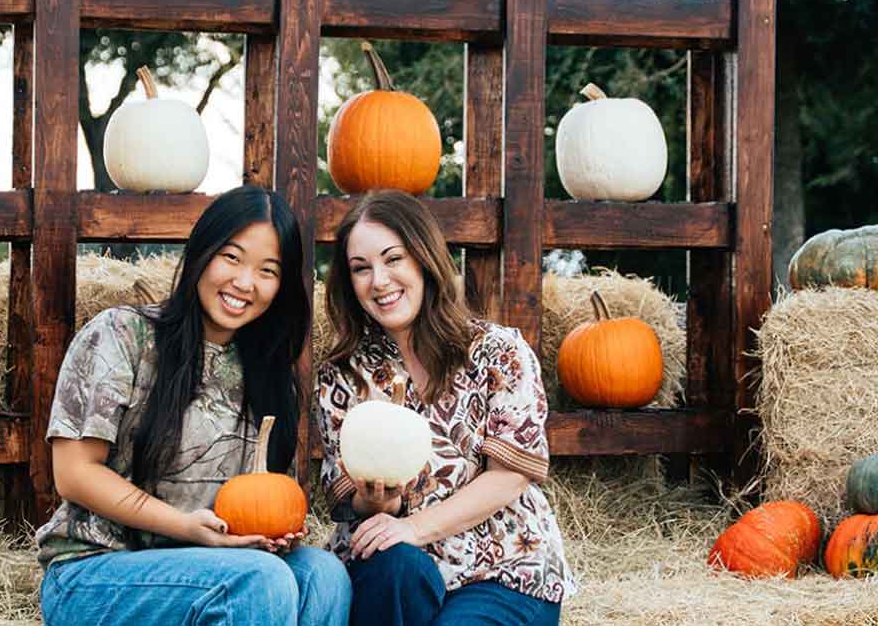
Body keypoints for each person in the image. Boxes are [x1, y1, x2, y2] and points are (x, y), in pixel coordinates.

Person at [38, 185, 350, 626]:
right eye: (232, 257)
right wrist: (184, 527)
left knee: (324, 575)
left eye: (267, 270)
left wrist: (269, 535)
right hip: (95, 570)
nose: (244, 282)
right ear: (202, 252)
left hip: (209, 565)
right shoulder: (122, 335)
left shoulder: (268, 374)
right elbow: (74, 474)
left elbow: (256, 501)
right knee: (261, 580)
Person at [318, 190, 577, 626]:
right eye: (361, 268)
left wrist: (415, 527)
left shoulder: (498, 352)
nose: (378, 280)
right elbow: (345, 501)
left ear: (425, 259)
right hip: (398, 570)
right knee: (393, 563)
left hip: (501, 567)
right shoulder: (344, 375)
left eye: (393, 259)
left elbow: (511, 476)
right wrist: (378, 503)